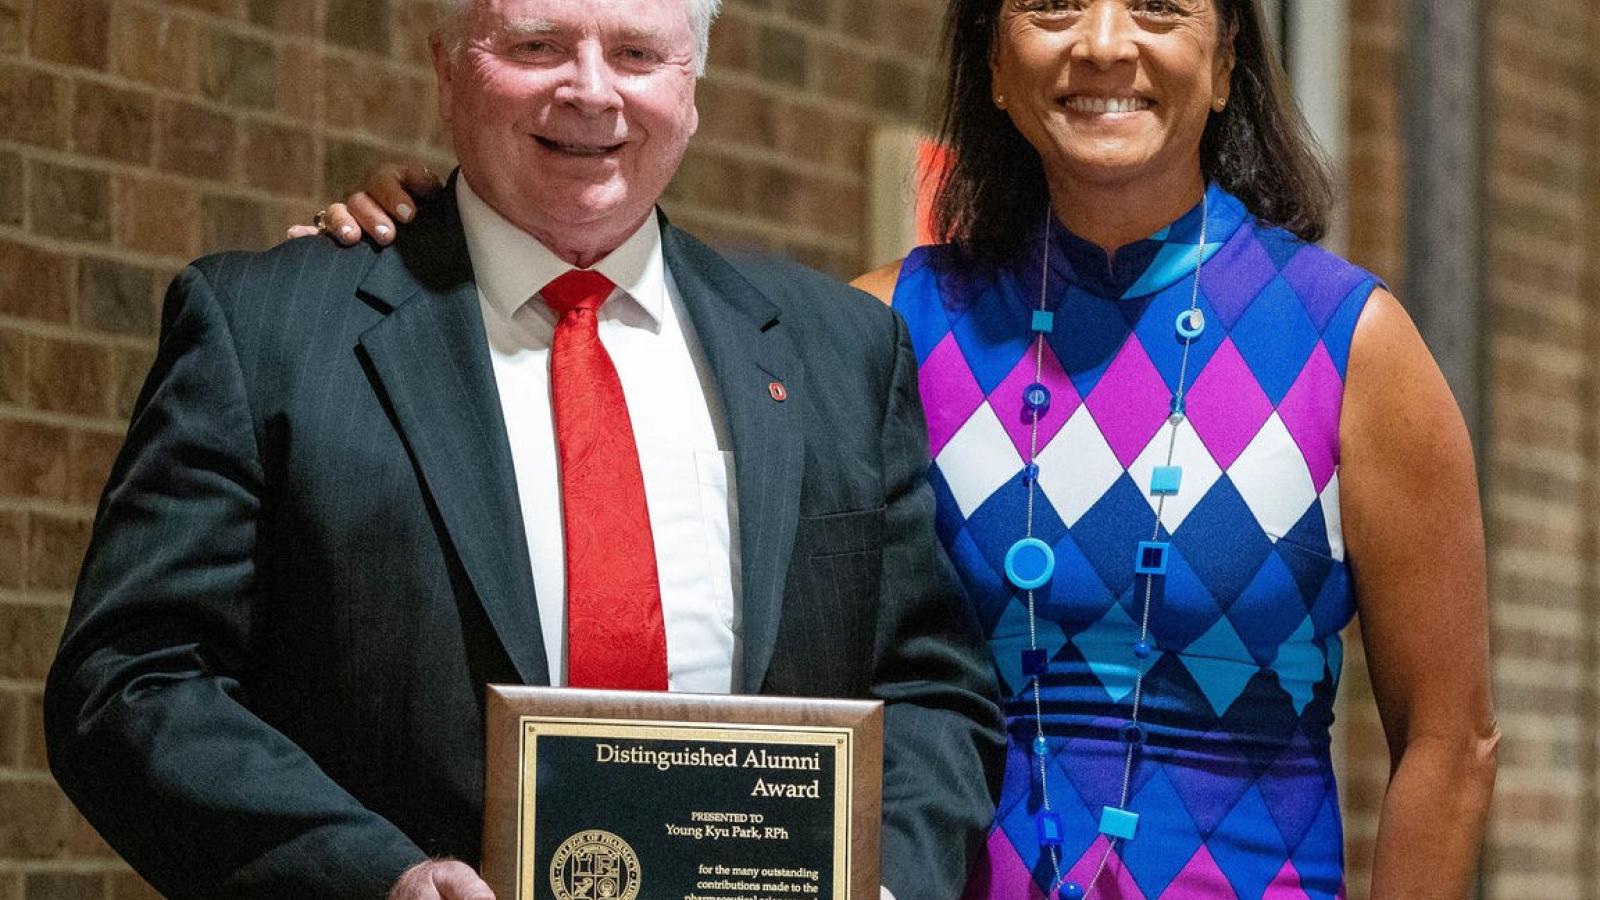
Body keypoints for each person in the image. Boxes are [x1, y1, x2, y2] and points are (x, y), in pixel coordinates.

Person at [322, 0, 1503, 898]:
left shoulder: (1350, 346)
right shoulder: (881, 332)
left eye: (1157, 6)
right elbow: (645, 325)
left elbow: (1450, 743)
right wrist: (445, 242)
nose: (1100, 45)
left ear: (1228, 58)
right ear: (991, 62)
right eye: (1047, 6)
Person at [42, 1, 1007, 898]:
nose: (591, 90)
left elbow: (929, 690)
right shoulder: (268, 332)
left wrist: (880, 883)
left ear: (692, 85)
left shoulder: (839, 349)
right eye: (537, 45)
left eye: (637, 53)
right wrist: (375, 877)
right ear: (447, 68)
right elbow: (133, 683)